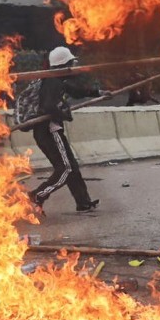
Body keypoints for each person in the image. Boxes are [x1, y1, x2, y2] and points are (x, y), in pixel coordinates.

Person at [28, 46, 105, 213]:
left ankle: (83, 202)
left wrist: (98, 92)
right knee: (66, 169)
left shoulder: (57, 80)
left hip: (49, 132)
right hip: (49, 132)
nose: (73, 66)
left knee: (72, 167)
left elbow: (76, 92)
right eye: (71, 63)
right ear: (64, 64)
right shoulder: (52, 82)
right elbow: (48, 106)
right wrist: (64, 115)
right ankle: (38, 194)